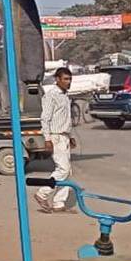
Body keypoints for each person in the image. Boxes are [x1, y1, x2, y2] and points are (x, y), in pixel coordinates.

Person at [35, 67, 75, 214]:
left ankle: (59, 203)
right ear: (57, 79)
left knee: (67, 172)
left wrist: (70, 137)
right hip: (55, 136)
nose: (68, 82)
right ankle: (42, 193)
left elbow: (65, 118)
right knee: (62, 169)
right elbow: (45, 118)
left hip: (64, 136)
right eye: (65, 79)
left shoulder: (65, 96)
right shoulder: (51, 96)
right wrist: (47, 139)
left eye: (70, 79)